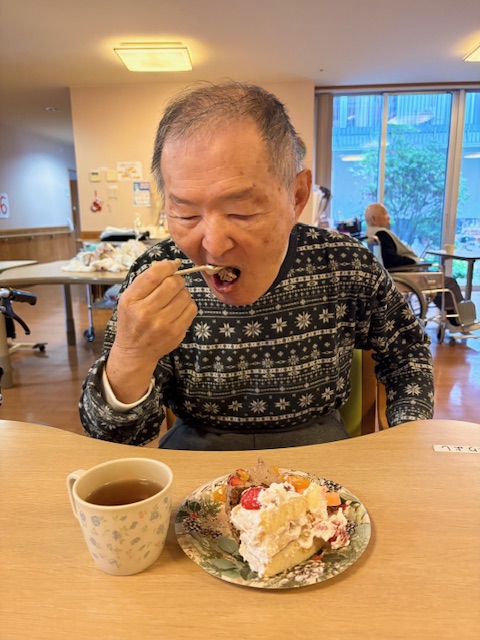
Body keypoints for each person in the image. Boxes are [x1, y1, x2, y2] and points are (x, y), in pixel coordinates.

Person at [79, 82, 434, 450]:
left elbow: (407, 352)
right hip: (196, 453)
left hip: (321, 452)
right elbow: (113, 439)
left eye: (241, 211)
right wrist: (131, 357)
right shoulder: (158, 274)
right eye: (185, 213)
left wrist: (406, 441)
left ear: (297, 196)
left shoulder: (345, 264)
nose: (213, 245)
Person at [364, 202, 478, 329]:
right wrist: (413, 261)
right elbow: (390, 261)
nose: (388, 217)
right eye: (385, 214)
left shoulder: (370, 235)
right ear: (374, 219)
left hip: (398, 274)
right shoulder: (381, 234)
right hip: (403, 275)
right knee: (449, 282)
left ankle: (452, 317)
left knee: (438, 284)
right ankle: (459, 321)